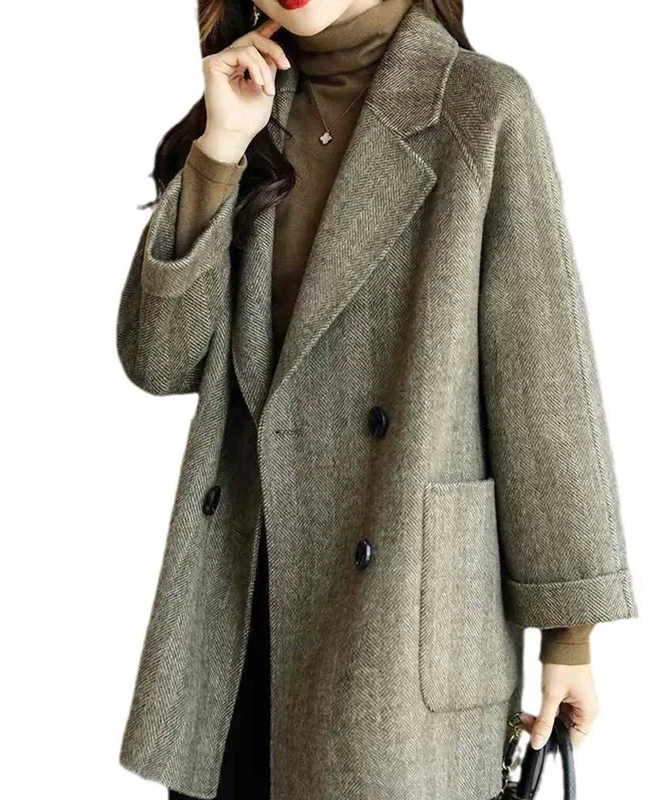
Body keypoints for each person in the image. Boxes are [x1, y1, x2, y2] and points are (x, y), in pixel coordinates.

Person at [115, 2, 638, 799]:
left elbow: (543, 379)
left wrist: (570, 636)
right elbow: (159, 362)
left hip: (401, 607)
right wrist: (218, 151)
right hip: (241, 604)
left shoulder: (480, 108)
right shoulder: (250, 109)